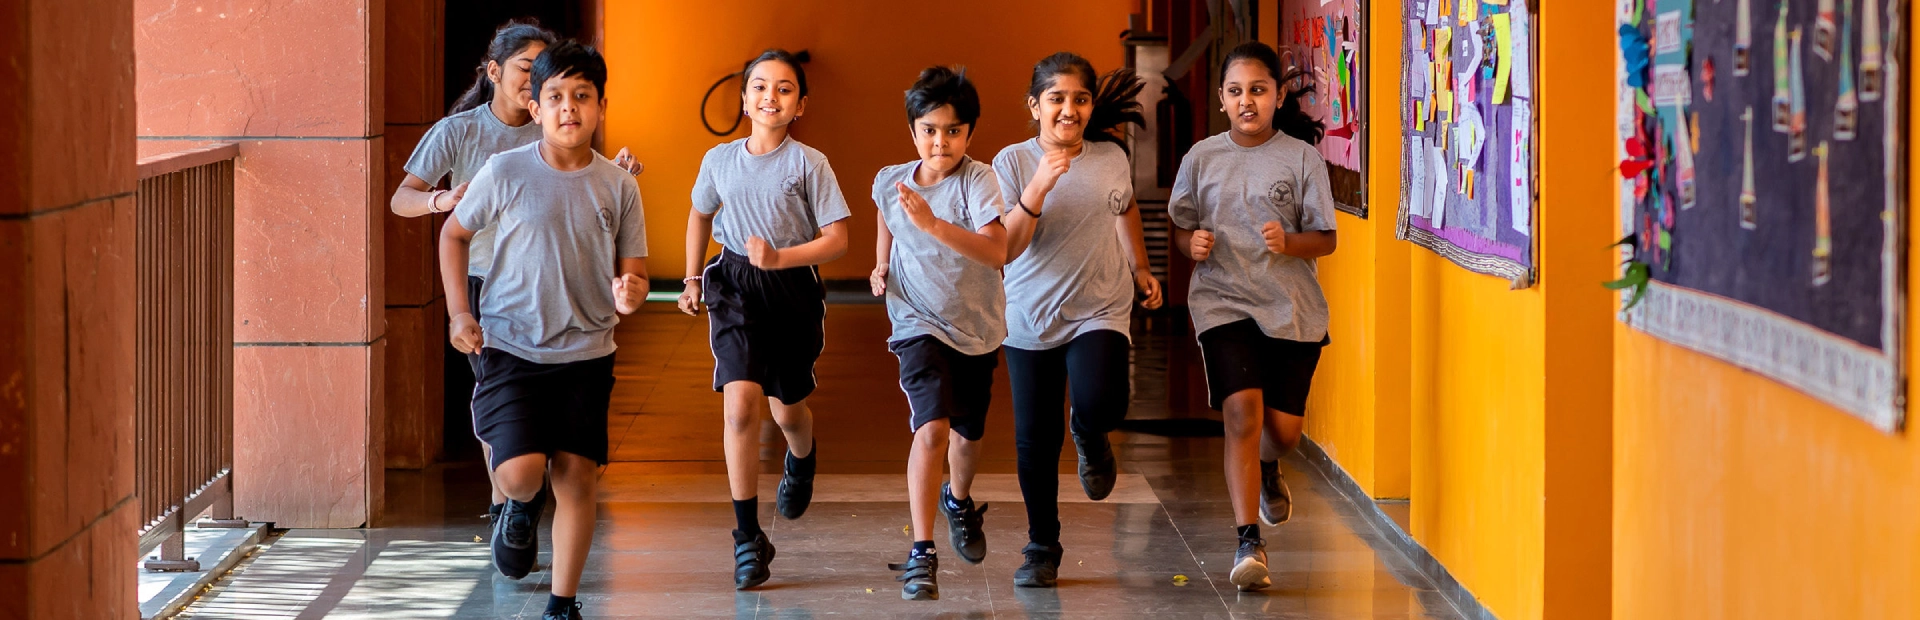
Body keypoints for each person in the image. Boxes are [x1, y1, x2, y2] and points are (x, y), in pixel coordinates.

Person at [389, 19, 639, 529]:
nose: (538, 83)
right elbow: (402, 199)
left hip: (546, 282)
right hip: (484, 281)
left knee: (540, 409)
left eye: (541, 73)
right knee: (499, 397)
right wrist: (443, 199)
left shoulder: (553, 118)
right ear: (494, 71)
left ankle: (514, 502)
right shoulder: (459, 131)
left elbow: (585, 180)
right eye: (527, 69)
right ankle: (508, 503)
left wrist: (617, 172)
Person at [438, 40, 647, 620]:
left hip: (587, 352)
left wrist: (629, 292)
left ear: (602, 106)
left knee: (577, 475)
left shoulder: (619, 186)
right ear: (535, 108)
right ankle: (519, 506)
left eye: (582, 97)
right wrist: (461, 313)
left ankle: (561, 603)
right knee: (522, 471)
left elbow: (632, 269)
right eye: (555, 96)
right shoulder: (505, 171)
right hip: (511, 345)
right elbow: (453, 234)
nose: (569, 108)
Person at [677, 49, 851, 590]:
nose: (769, 96)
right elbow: (700, 213)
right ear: (745, 97)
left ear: (800, 105)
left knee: (789, 407)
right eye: (759, 86)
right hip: (732, 284)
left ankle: (802, 456)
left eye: (783, 89)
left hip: (792, 288)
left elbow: (838, 240)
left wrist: (780, 258)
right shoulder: (718, 159)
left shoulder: (810, 163)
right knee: (740, 403)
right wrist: (689, 278)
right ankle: (747, 538)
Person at [1168, 41, 1337, 592]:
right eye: (1236, 91)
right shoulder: (1201, 158)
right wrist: (1187, 243)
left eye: (1258, 91)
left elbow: (1326, 240)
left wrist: (1290, 243)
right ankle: (1248, 541)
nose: (1247, 101)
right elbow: (1181, 226)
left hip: (1290, 308)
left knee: (1283, 432)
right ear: (1221, 99)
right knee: (1242, 412)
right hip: (1222, 301)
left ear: (1278, 95)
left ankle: (1270, 466)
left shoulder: (1302, 158)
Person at [992, 51, 1163, 588]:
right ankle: (1042, 545)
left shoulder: (1110, 155)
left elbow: (1125, 207)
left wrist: (1140, 267)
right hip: (1029, 313)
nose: (1069, 109)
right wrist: (1040, 183)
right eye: (1057, 98)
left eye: (1080, 98)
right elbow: (1005, 245)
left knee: (1102, 401)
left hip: (1100, 305)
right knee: (1033, 440)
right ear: (1035, 106)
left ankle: (1089, 434)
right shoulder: (1011, 163)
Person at [868, 66, 1007, 601]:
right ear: (913, 131)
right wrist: (882, 265)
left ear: (969, 133)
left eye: (952, 130)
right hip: (914, 322)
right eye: (929, 129)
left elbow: (996, 252)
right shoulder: (891, 180)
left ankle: (958, 499)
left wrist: (931, 225)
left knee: (967, 440)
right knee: (931, 429)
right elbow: (887, 215)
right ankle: (921, 551)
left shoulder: (979, 180)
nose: (940, 141)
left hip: (975, 329)